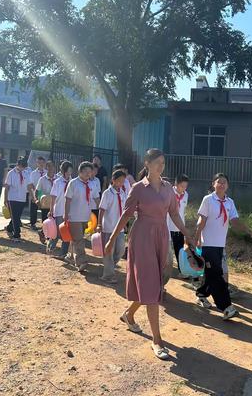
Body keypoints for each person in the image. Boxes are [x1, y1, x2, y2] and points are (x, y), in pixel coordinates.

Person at [104, 148, 194, 360]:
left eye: (163, 163)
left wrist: (187, 233)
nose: (161, 167)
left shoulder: (168, 189)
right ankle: (157, 340)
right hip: (142, 237)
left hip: (161, 236)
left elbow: (173, 213)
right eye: (157, 163)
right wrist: (110, 238)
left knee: (153, 284)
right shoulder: (137, 188)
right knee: (152, 285)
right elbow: (126, 215)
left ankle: (129, 314)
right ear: (147, 164)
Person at [194, 173, 252, 320]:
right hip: (208, 244)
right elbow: (201, 220)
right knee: (217, 275)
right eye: (219, 182)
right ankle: (226, 307)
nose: (221, 184)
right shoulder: (208, 200)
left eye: (224, 182)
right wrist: (197, 238)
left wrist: (247, 230)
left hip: (220, 245)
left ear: (228, 185)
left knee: (212, 273)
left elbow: (234, 220)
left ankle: (202, 295)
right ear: (213, 184)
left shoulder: (230, 202)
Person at [64, 162, 100, 272]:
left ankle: (70, 255)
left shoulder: (92, 184)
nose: (88, 174)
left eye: (90, 172)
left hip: (86, 216)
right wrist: (66, 214)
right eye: (86, 172)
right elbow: (68, 200)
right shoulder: (73, 183)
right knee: (79, 239)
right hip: (74, 216)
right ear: (80, 172)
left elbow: (96, 199)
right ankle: (81, 262)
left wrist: (103, 210)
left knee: (77, 238)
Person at [96, 169, 127, 284]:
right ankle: (108, 275)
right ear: (113, 180)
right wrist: (99, 224)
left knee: (120, 250)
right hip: (108, 227)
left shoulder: (123, 193)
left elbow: (124, 211)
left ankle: (109, 266)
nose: (121, 183)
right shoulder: (107, 193)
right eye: (119, 181)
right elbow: (102, 209)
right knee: (109, 250)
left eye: (123, 181)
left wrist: (125, 224)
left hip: (120, 228)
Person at [167, 174, 190, 279]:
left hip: (179, 227)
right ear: (176, 184)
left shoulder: (186, 195)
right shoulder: (168, 193)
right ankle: (163, 269)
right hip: (167, 226)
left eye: (185, 186)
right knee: (166, 250)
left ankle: (182, 270)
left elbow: (182, 211)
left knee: (180, 250)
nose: (183, 189)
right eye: (182, 186)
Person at [48, 161, 73, 258]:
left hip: (69, 212)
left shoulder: (73, 182)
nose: (70, 172)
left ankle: (63, 252)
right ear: (63, 170)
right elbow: (53, 197)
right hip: (58, 210)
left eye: (71, 170)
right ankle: (51, 246)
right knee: (58, 231)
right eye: (68, 170)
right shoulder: (57, 182)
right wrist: (51, 210)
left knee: (66, 233)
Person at [4, 158, 32, 241]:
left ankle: (9, 228)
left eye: (24, 167)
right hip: (12, 198)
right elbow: (7, 187)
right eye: (21, 166)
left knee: (17, 216)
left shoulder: (26, 173)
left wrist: (33, 196)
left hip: (22, 198)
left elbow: (29, 186)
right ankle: (17, 235)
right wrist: (5, 199)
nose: (23, 168)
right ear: (18, 165)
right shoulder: (11, 173)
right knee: (15, 217)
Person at [36, 161, 57, 243]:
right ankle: (47, 237)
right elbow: (37, 190)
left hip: (55, 203)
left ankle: (42, 233)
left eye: (52, 167)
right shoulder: (42, 179)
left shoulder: (58, 179)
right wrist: (37, 199)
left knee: (54, 222)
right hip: (45, 203)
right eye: (49, 167)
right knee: (46, 221)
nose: (51, 169)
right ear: (46, 168)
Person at [29, 156, 47, 230]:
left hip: (45, 194)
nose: (41, 164)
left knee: (45, 210)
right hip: (36, 193)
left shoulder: (47, 172)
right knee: (34, 209)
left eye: (42, 163)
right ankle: (33, 224)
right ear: (37, 164)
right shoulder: (33, 173)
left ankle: (45, 225)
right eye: (39, 163)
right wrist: (34, 195)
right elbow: (32, 184)